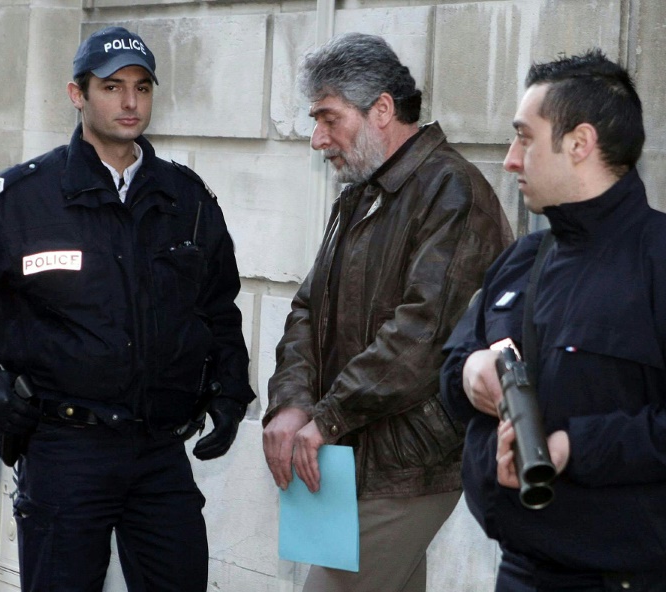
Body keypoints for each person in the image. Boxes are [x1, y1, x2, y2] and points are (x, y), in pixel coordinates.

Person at [0, 26, 255, 591]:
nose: (129, 102)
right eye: (112, 86)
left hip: (159, 453)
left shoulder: (185, 199)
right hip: (65, 452)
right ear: (78, 94)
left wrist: (229, 389)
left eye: (142, 88)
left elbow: (218, 307)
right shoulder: (24, 199)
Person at [440, 48, 666, 592]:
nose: (509, 159)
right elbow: (452, 370)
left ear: (579, 143)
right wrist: (470, 372)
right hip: (522, 570)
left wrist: (574, 446)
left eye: (524, 137)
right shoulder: (521, 259)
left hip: (633, 579)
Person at [262, 32, 512, 592]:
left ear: (381, 109)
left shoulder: (452, 190)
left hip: (408, 465)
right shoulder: (363, 191)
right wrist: (292, 402)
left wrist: (326, 417)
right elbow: (309, 306)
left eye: (329, 119)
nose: (316, 139)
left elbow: (423, 336)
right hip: (353, 454)